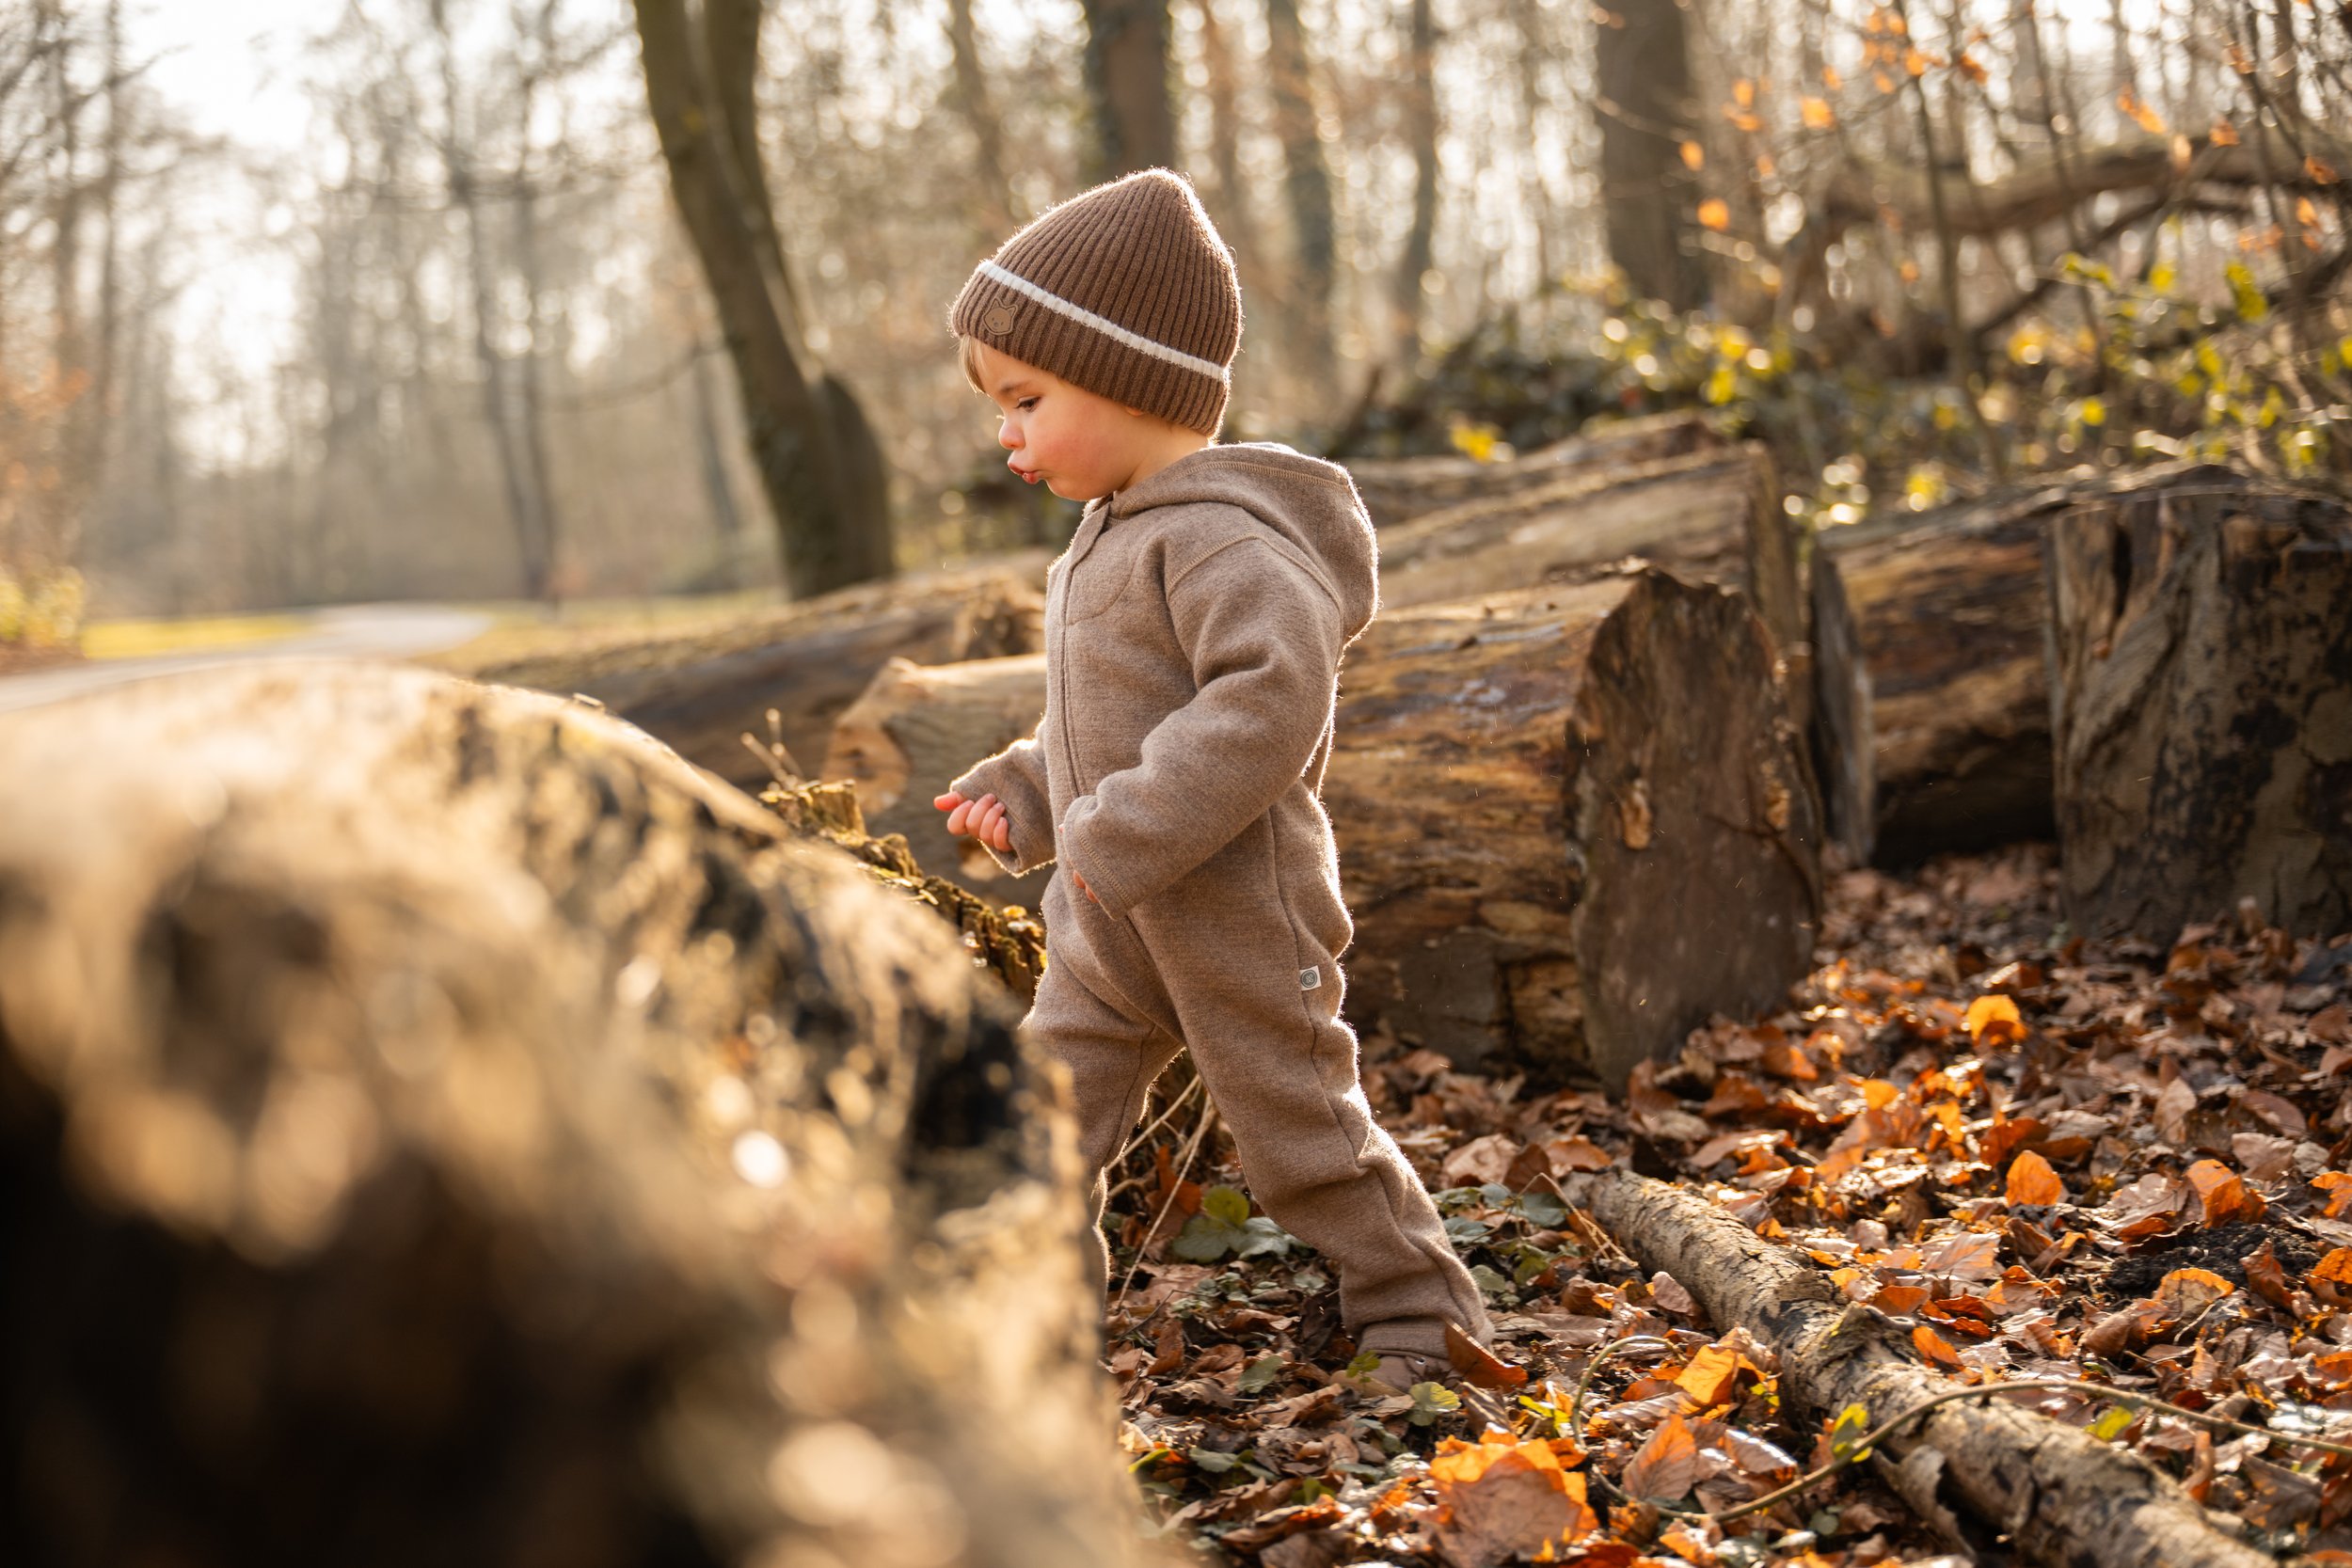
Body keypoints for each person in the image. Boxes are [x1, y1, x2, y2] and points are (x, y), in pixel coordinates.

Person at [933, 168, 1489, 1393]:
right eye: (1000, 406)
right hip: (1108, 927)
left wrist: (1117, 825)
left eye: (1025, 398)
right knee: (1038, 1128)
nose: (1006, 433)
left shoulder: (1227, 541)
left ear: (1130, 379)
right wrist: (1030, 790)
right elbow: (1108, 723)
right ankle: (1035, 1348)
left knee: (1300, 1140)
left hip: (1238, 918)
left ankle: (1422, 1321)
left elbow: (1267, 706)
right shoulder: (1110, 536)